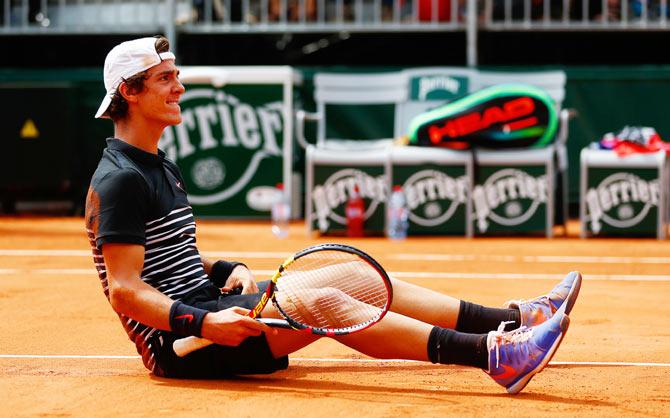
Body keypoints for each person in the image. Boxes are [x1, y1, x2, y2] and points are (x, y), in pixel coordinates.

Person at [85, 36, 581, 394]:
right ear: (129, 92)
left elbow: (170, 256)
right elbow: (125, 291)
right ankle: (495, 356)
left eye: (177, 77)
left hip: (212, 307)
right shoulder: (121, 178)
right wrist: (202, 323)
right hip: (183, 344)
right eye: (165, 79)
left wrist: (223, 269)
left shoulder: (156, 164)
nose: (179, 88)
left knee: (357, 275)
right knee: (323, 300)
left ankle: (516, 318)